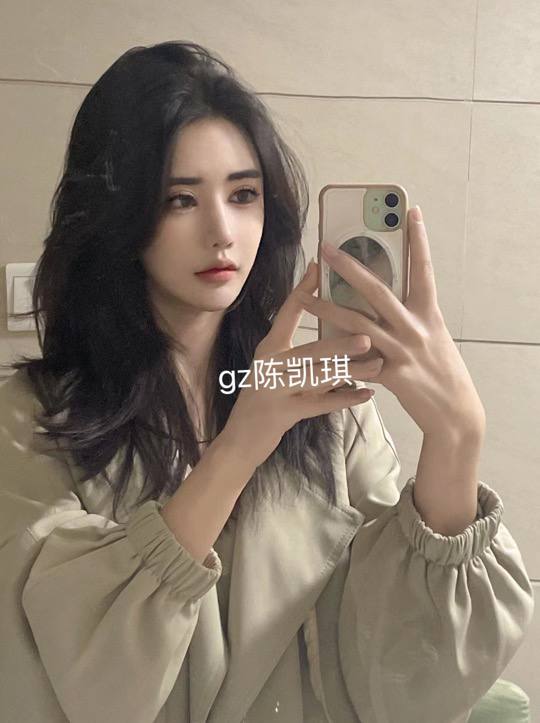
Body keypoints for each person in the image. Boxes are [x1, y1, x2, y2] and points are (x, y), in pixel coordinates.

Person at [0, 40, 534, 723]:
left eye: (244, 194)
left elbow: (408, 676)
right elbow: (84, 678)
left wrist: (457, 439)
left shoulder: (327, 407)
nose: (222, 231)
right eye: (179, 199)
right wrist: (239, 445)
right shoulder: (31, 423)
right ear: (118, 215)